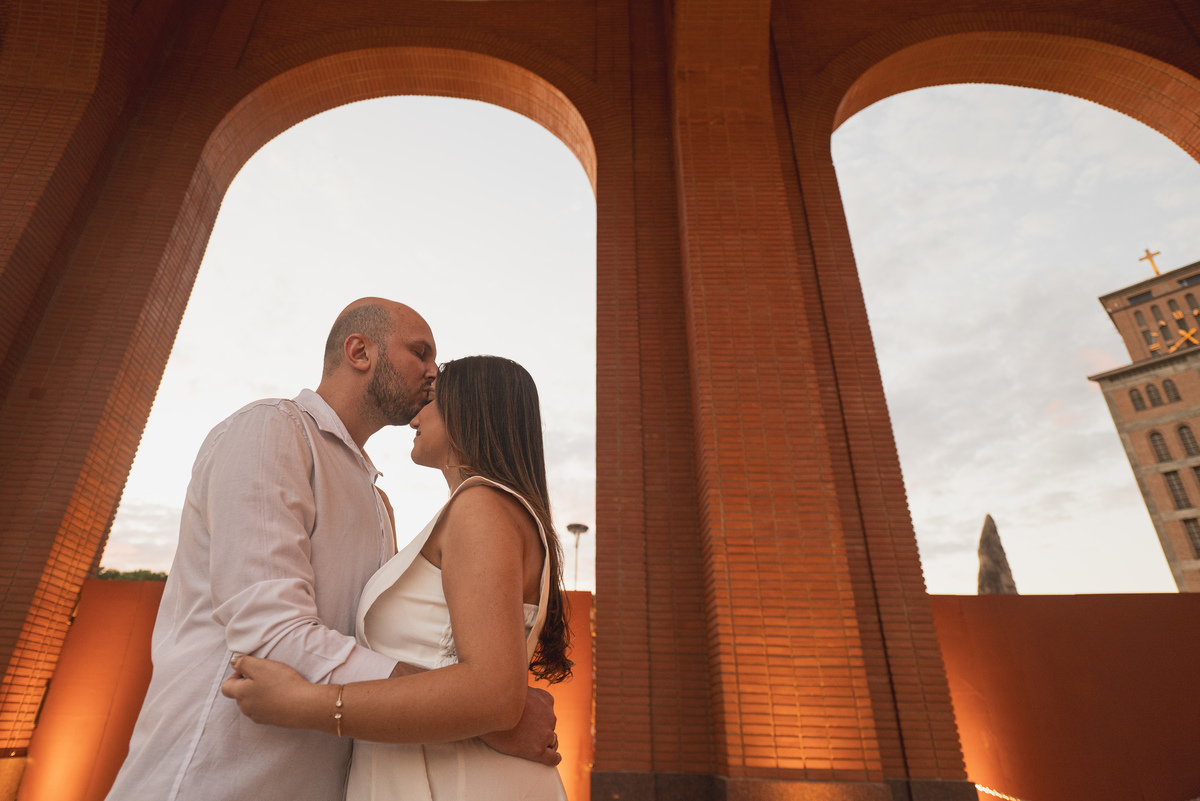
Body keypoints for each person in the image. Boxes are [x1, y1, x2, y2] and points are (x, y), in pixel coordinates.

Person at [106, 301, 557, 801]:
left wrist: (480, 702)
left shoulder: (379, 501)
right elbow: (270, 634)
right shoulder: (271, 431)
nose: (434, 375)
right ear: (359, 351)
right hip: (218, 776)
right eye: (421, 352)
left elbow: (383, 651)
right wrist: (481, 717)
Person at [222, 355, 571, 801]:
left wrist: (302, 705)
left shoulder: (481, 508)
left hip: (459, 782)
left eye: (432, 400)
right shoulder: (481, 512)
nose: (415, 416)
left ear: (469, 410)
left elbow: (493, 694)